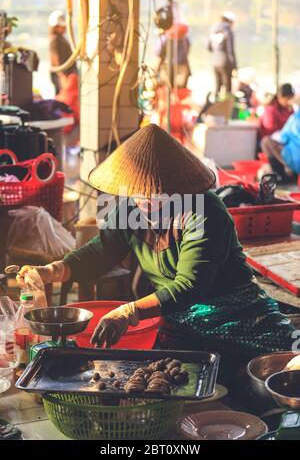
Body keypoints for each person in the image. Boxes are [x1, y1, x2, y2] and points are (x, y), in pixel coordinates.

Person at [17, 125, 295, 369]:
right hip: (177, 318)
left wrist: (130, 311)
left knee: (283, 363)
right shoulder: (129, 208)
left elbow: (190, 285)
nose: (145, 200)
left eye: (157, 192)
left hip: (237, 313)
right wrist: (52, 271)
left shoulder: (205, 211)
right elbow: (100, 252)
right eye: (138, 192)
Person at [261, 108, 300, 182]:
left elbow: (283, 138)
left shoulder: (295, 117)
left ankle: (282, 174)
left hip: (295, 160)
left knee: (266, 142)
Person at [207, 11, 237, 97]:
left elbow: (208, 47)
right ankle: (227, 108)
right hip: (225, 63)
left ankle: (215, 106)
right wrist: (235, 67)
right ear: (230, 21)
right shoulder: (228, 31)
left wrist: (217, 53)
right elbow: (230, 51)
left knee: (217, 87)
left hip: (215, 62)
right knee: (228, 88)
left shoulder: (213, 29)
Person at [48, 10, 77, 95]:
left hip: (64, 74)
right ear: (56, 27)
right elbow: (55, 59)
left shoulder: (60, 38)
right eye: (62, 26)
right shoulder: (55, 40)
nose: (64, 28)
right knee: (62, 98)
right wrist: (62, 77)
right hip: (60, 75)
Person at [155, 22, 191, 89]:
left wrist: (155, 71)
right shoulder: (186, 39)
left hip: (167, 69)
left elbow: (159, 57)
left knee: (166, 91)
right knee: (179, 92)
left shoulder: (164, 39)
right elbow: (186, 54)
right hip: (182, 70)